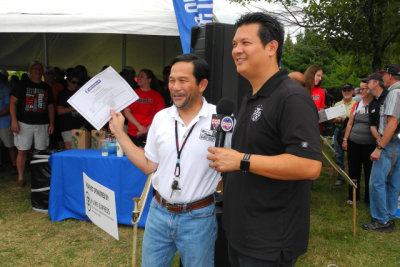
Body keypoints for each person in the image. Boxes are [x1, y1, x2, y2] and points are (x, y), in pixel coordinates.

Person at [207, 12, 322, 266]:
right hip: (240, 234)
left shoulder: (292, 98)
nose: (236, 50)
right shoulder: (252, 96)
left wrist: (242, 161)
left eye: (245, 43)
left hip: (268, 243)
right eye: (234, 44)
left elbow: (310, 166)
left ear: (272, 47)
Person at [109, 53, 228, 266]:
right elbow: (148, 165)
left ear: (202, 85)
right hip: (158, 213)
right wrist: (119, 133)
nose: (175, 87)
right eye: (172, 80)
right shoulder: (161, 118)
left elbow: (235, 163)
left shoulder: (221, 120)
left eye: (183, 80)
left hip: (198, 218)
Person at [362, 64, 400, 233]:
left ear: (390, 76)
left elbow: (391, 124)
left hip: (389, 142)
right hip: (397, 143)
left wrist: (379, 147)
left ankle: (381, 220)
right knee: (393, 182)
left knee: (376, 182)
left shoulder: (394, 93)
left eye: (384, 75)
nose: (383, 78)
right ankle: (389, 216)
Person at [10, 61, 55, 187]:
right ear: (30, 71)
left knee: (41, 151)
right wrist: (14, 120)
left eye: (40, 69)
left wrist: (52, 123)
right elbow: (13, 102)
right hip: (24, 123)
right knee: (22, 151)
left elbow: (51, 106)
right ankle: (20, 177)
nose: (38, 71)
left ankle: (40, 177)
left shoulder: (46, 87)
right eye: (35, 69)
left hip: (42, 124)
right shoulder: (21, 84)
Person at [341, 81, 375, 204]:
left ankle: (369, 198)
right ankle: (353, 196)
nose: (362, 91)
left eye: (364, 89)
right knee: (353, 170)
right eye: (360, 89)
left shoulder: (375, 105)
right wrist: (345, 139)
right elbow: (350, 123)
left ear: (370, 90)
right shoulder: (356, 105)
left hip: (370, 144)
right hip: (354, 142)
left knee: (369, 171)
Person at [123, 69, 165, 147]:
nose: (138, 78)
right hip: (133, 133)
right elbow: (126, 111)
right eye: (138, 76)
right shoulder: (133, 93)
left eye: (141, 76)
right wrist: (140, 127)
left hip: (151, 134)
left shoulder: (157, 96)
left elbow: (160, 115)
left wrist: (148, 129)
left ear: (149, 80)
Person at [332, 83, 356, 185]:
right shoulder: (337, 104)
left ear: (352, 91)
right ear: (342, 92)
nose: (346, 92)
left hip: (352, 131)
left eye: (348, 90)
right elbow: (332, 118)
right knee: (339, 155)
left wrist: (342, 118)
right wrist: (337, 119)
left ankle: (353, 177)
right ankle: (341, 178)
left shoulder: (357, 103)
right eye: (344, 90)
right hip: (339, 130)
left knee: (353, 156)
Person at [56, 72, 86, 149]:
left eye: (77, 83)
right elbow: (59, 111)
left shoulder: (78, 93)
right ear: (68, 81)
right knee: (70, 152)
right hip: (67, 127)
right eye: (73, 82)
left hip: (80, 127)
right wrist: (75, 108)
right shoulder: (63, 94)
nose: (75, 85)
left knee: (80, 151)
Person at [0, 70, 17, 172]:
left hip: (4, 123)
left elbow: (8, 106)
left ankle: (14, 165)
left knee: (10, 145)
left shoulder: (6, 89)